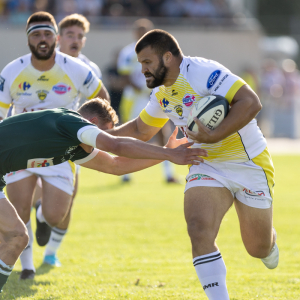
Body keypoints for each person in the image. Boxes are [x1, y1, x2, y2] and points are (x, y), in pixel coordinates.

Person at [108, 29, 278, 300]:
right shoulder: (161, 93)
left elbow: (251, 102)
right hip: (205, 163)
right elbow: (141, 129)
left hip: (248, 162)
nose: (142, 70)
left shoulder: (203, 73)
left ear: (167, 57)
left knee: (258, 248)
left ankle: (269, 241)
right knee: (198, 228)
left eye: (147, 63)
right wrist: (98, 135)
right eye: (141, 64)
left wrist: (214, 135)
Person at [0, 97, 206, 293]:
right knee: (16, 237)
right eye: (106, 133)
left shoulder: (73, 147)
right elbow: (115, 146)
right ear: (92, 123)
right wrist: (170, 154)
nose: (106, 139)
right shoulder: (71, 122)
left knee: (16, 237)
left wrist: (166, 152)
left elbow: (115, 165)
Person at [0, 11, 110, 279]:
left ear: (56, 38)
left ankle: (42, 218)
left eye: (47, 34)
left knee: (56, 216)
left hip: (61, 151)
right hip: (21, 149)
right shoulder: (12, 70)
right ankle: (27, 266)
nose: (42, 39)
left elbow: (101, 98)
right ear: (28, 39)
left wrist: (90, 131)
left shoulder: (75, 68)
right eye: (36, 34)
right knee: (18, 207)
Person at [117, 18, 177, 183]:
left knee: (162, 132)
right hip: (134, 98)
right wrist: (139, 89)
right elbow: (124, 76)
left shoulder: (159, 52)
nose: (142, 34)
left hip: (155, 96)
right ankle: (125, 173)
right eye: (140, 31)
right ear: (135, 33)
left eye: (146, 31)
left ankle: (168, 173)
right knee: (129, 133)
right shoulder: (128, 52)